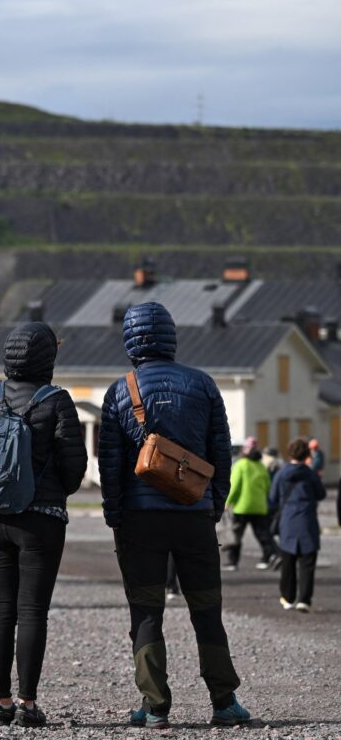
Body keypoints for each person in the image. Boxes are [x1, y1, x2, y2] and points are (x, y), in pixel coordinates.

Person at [99, 302, 250, 729]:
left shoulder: (119, 391)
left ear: (130, 339)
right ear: (171, 336)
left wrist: (116, 515)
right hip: (193, 516)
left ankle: (154, 706)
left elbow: (109, 464)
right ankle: (224, 702)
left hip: (139, 519)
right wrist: (213, 504)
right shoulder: (203, 385)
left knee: (146, 611)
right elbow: (222, 454)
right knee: (207, 609)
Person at [0, 321, 87, 728]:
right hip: (41, 522)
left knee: (0, 610)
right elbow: (74, 467)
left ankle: (1, 703)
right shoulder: (57, 401)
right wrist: (51, 491)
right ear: (47, 358)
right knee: (32, 611)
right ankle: (29, 705)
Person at [270, 438, 326, 613]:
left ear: (290, 453)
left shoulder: (281, 473)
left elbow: (272, 497)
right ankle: (304, 600)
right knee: (307, 562)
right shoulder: (310, 474)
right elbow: (321, 494)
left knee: (288, 560)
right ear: (307, 454)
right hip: (307, 520)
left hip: (288, 520)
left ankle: (288, 597)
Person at [222, 437, 277, 571]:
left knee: (236, 535)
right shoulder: (261, 466)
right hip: (259, 506)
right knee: (263, 534)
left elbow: (235, 486)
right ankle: (267, 557)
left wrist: (228, 502)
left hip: (242, 506)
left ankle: (233, 562)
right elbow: (268, 485)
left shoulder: (241, 464)